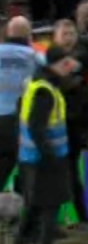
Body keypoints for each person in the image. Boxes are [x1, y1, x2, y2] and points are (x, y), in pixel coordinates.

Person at [14, 46, 79, 244]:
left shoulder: (37, 83)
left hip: (30, 155)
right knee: (51, 204)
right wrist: (49, 154)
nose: (69, 68)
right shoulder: (45, 90)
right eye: (66, 64)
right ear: (55, 64)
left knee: (34, 204)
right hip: (44, 156)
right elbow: (36, 126)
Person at [0, 17, 42, 187]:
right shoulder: (36, 57)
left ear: (8, 33)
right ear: (29, 36)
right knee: (25, 168)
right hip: (21, 122)